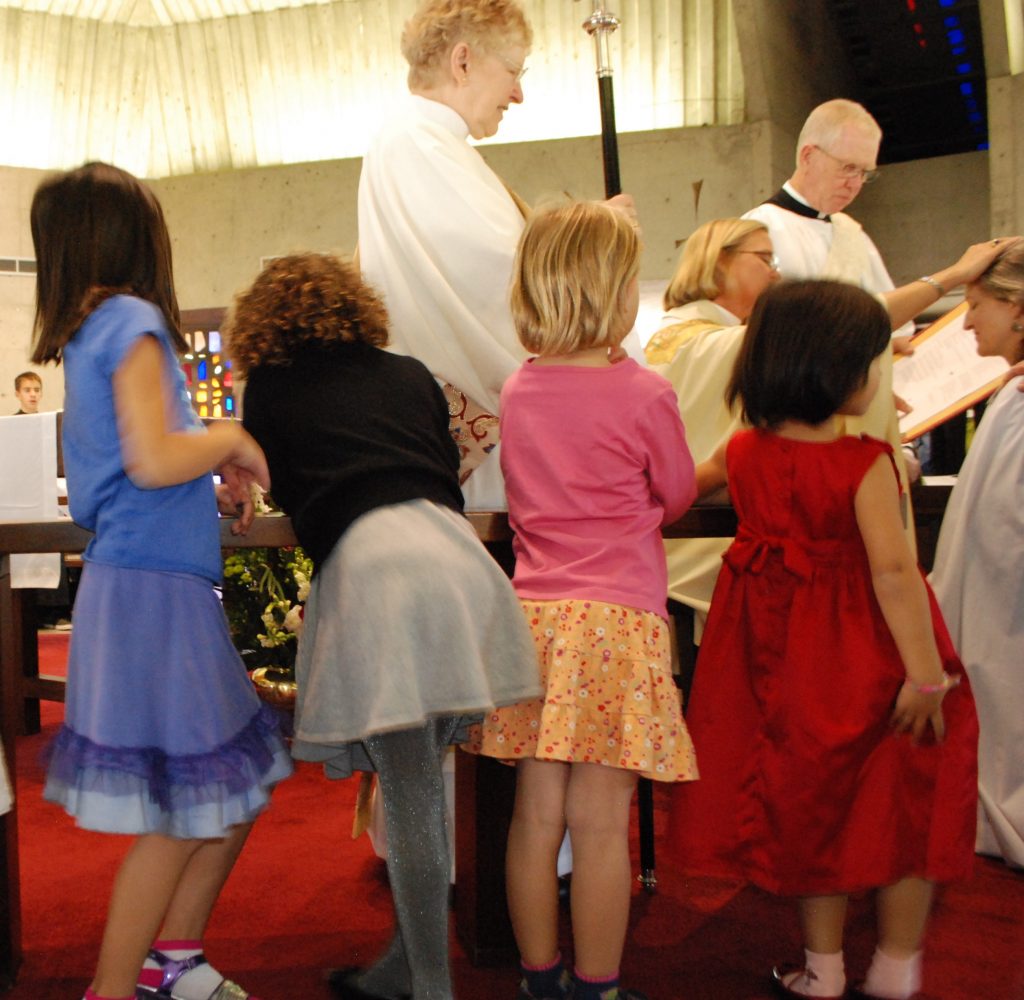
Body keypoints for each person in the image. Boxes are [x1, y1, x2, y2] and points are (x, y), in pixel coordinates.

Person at [226, 253, 540, 1000]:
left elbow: (286, 488)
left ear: (263, 321)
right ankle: (405, 963)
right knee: (419, 782)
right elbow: (439, 462)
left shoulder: (268, 387)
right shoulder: (409, 375)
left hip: (377, 576)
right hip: (457, 564)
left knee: (410, 792)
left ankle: (430, 986)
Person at [670, 280, 979, 1000]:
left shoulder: (744, 449)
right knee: (908, 793)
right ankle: (898, 967)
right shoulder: (864, 462)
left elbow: (681, 488)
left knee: (809, 801)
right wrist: (927, 675)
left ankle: (824, 968)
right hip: (870, 650)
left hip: (780, 659)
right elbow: (896, 573)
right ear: (831, 370)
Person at [29, 161, 293, 1000]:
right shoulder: (133, 318)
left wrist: (204, 479)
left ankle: (171, 960)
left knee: (236, 780)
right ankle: (118, 987)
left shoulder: (90, 330)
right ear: (134, 237)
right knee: (190, 807)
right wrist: (231, 439)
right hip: (152, 590)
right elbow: (152, 458)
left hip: (143, 580)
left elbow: (142, 459)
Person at [470, 201, 699, 1000]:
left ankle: (539, 977)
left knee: (535, 817)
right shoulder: (643, 392)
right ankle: (597, 984)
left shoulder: (520, 389)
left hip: (533, 619)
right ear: (617, 290)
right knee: (603, 823)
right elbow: (673, 495)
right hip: (616, 620)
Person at [358, 0, 635, 508]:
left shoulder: (429, 144)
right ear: (462, 62)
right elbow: (498, 273)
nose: (518, 93)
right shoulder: (418, 143)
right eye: (512, 71)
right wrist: (597, 235)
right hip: (482, 431)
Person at [743, 98, 1012, 512]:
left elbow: (892, 328)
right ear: (808, 155)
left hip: (869, 412)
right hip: (804, 428)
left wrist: (901, 352)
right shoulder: (757, 231)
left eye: (865, 173)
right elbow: (785, 337)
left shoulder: (852, 234)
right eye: (847, 167)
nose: (854, 183)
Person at [931, 244, 1024, 869]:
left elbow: (1003, 532)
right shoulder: (1011, 390)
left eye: (974, 306)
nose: (966, 323)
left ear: (1016, 308)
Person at [644, 217, 779, 365]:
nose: (775, 274)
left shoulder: (730, 330)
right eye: (765, 260)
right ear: (720, 260)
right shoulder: (692, 339)